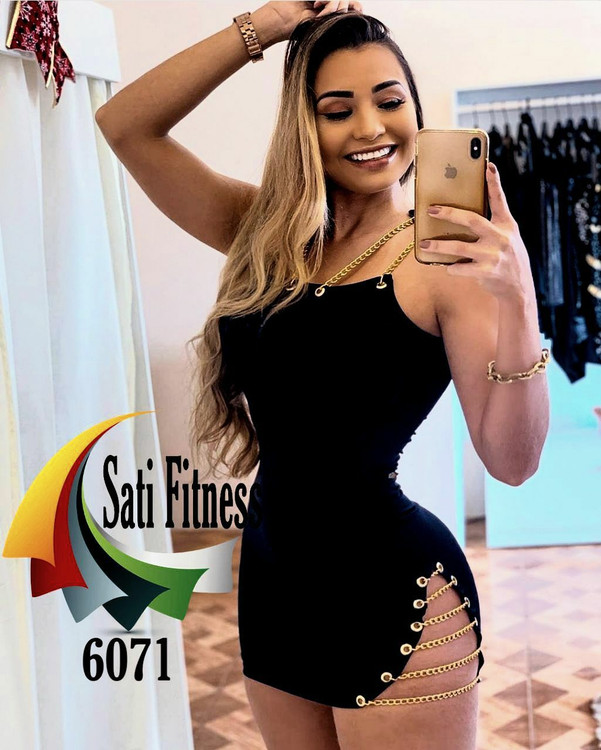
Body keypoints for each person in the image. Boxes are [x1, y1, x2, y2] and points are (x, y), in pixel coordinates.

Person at [95, 2, 550, 748]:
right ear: (302, 126)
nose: (370, 127)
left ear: (416, 110)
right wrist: (270, 23)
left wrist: (519, 296)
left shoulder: (442, 261)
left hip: (393, 597)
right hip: (272, 582)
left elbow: (512, 461)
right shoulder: (265, 237)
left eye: (390, 101)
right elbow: (126, 125)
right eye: (336, 110)